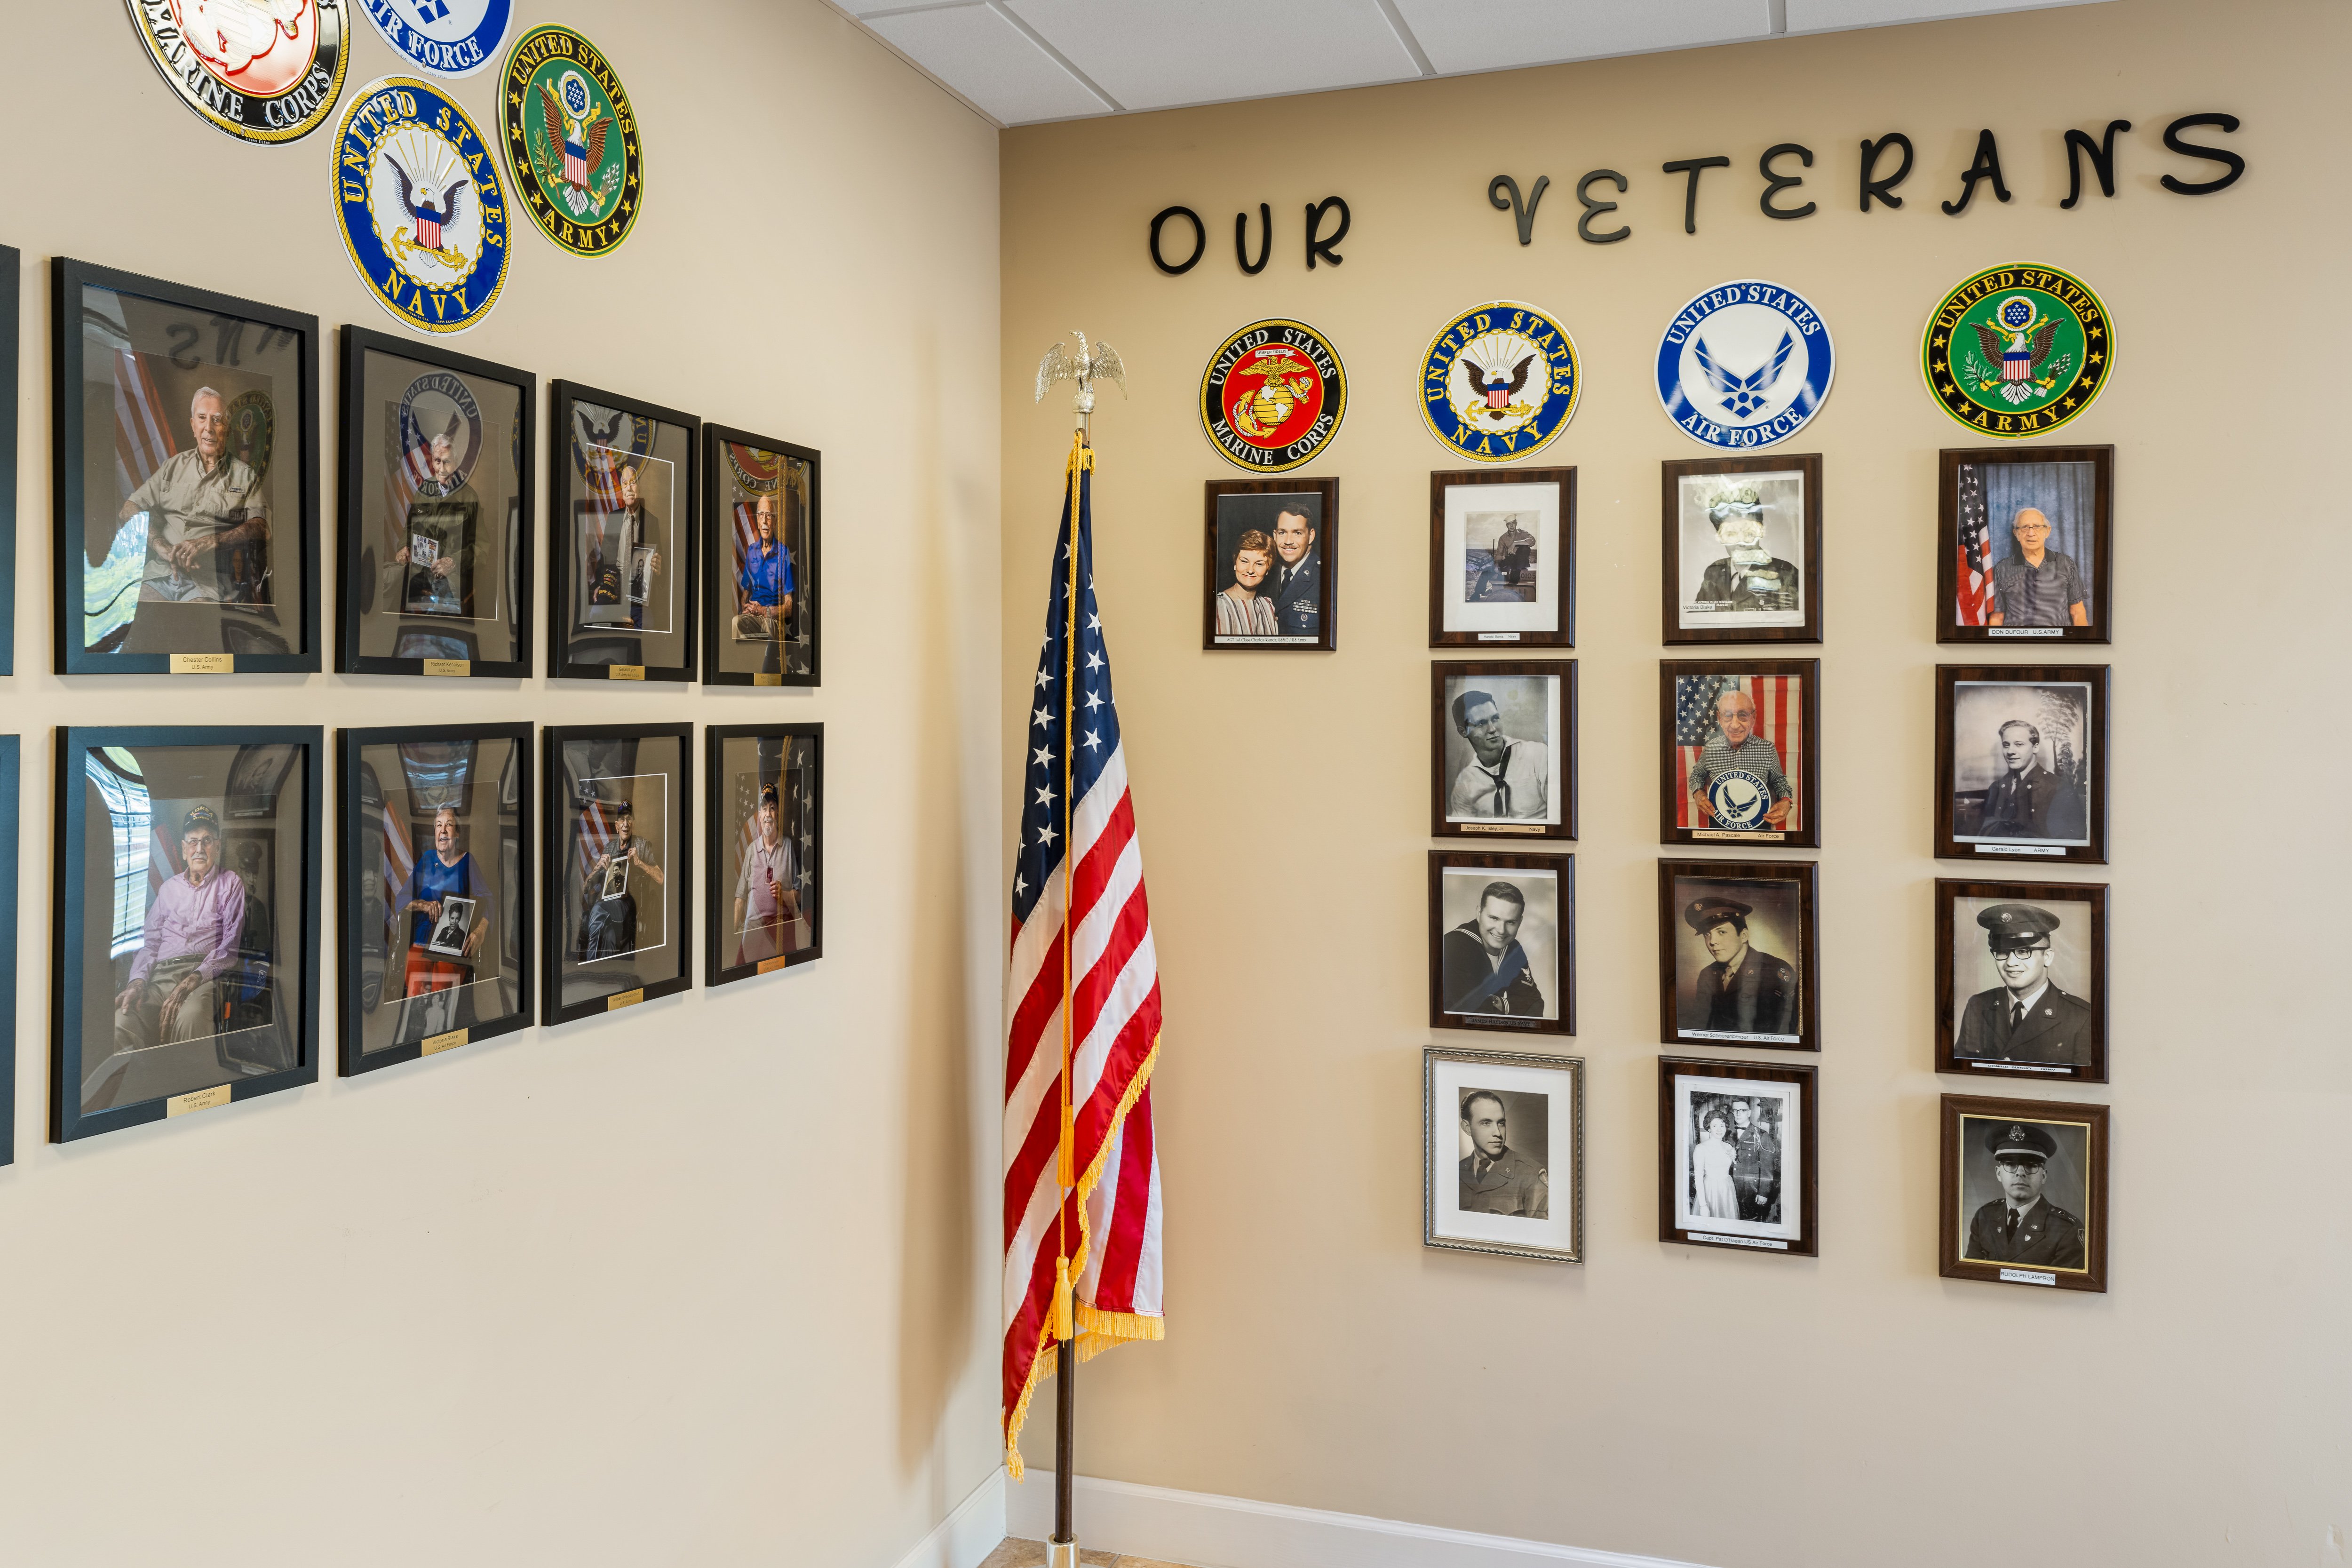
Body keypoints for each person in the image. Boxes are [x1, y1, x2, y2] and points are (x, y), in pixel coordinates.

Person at [117, 386, 272, 608]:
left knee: (195, 623)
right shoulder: (173, 466)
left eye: (217, 420)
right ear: (193, 425)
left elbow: (262, 527)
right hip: (160, 573)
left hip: (209, 581)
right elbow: (129, 508)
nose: (209, 428)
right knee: (133, 616)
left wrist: (209, 542)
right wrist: (160, 545)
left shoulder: (245, 475)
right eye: (202, 418)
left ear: (227, 428)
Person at [112, 805, 245, 1056]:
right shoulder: (168, 888)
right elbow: (150, 943)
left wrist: (190, 982)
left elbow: (230, 947)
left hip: (203, 977)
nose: (199, 849)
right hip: (160, 977)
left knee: (192, 1017)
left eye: (207, 841)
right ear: (184, 849)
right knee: (122, 1021)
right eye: (193, 842)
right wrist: (138, 982)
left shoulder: (231, 883)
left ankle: (186, 1080)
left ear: (217, 846)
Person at [1955, 902, 2094, 1064]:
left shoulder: (2082, 1017)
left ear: (2047, 957)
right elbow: (1963, 1069)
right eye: (2002, 952)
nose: (2011, 962)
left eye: (2023, 951)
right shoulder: (1978, 1005)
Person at [1963, 1122, 2086, 1268]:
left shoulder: (2067, 1230)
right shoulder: (1984, 1217)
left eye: (2031, 1165)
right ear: (1999, 1173)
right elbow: (1971, 1273)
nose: (2020, 1173)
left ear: (2044, 1176)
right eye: (2010, 1164)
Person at [388, 419, 477, 617]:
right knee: (386, 582)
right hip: (419, 571)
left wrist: (452, 562)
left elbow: (480, 548)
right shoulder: (424, 491)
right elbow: (409, 529)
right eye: (438, 461)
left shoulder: (469, 497)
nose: (442, 469)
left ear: (455, 463)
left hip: (450, 577)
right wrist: (404, 548)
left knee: (441, 612)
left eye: (447, 462)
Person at [1678, 896, 1799, 1036]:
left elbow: (1785, 1029)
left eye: (1722, 932)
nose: (1712, 941)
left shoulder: (1773, 970)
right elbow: (1700, 1025)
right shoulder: (1707, 974)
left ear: (1744, 936)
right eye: (1707, 934)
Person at [399, 804, 488, 996]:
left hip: (453, 947)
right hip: (422, 942)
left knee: (442, 995)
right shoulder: (427, 859)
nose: (443, 830)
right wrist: (423, 905)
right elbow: (402, 900)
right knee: (416, 990)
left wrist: (480, 931)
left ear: (457, 833)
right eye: (439, 825)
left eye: (449, 825)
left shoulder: (467, 862)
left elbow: (489, 902)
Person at [1688, 686, 1794, 831]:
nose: (1735, 725)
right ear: (1719, 718)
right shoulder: (1711, 748)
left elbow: (1780, 782)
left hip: (1759, 825)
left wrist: (1786, 801)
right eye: (1728, 716)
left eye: (1743, 715)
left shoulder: (1768, 749)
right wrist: (1699, 794)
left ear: (1753, 718)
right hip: (1719, 826)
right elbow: (1696, 776)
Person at [1440, 881, 1546, 1017]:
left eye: (1510, 922)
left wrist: (1500, 1004)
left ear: (1520, 922)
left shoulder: (1513, 948)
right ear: (1479, 913)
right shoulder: (1454, 945)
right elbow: (1469, 1012)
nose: (1501, 930)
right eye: (1494, 918)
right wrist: (1510, 1006)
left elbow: (1535, 1004)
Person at [1446, 687, 1549, 821]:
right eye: (1481, 723)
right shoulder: (1465, 783)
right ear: (1463, 732)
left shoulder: (1538, 754)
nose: (1493, 729)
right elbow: (1462, 828)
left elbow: (1560, 816)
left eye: (1495, 719)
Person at [1692, 485, 1798, 613]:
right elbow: (1695, 619)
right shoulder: (1714, 573)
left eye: (1749, 533)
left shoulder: (1786, 575)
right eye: (1731, 534)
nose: (1741, 543)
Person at [581, 799, 663, 961]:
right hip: (609, 904)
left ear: (633, 823)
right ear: (617, 825)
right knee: (609, 935)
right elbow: (585, 888)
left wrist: (639, 863)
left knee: (598, 909)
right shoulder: (609, 848)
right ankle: (606, 968)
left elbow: (660, 878)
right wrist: (598, 867)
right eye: (622, 820)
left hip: (629, 904)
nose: (626, 824)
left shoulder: (642, 845)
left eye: (629, 819)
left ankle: (590, 962)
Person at [732, 784, 801, 965]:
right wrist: (730, 935)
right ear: (759, 815)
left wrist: (783, 895)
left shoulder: (788, 847)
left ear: (777, 813)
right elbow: (740, 899)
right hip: (754, 930)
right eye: (764, 809)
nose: (768, 814)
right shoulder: (751, 850)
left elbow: (799, 894)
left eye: (772, 808)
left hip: (781, 928)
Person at [1987, 507, 2088, 629]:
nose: (2031, 533)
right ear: (2016, 533)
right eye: (2024, 527)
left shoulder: (2066, 563)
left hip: (2057, 639)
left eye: (2037, 527)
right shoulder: (2002, 569)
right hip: (2017, 639)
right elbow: (1997, 617)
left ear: (2048, 531)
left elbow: (2077, 612)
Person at [1457, 1090, 1548, 1218]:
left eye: (1501, 1123)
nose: (1498, 1133)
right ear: (1467, 1128)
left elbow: (1542, 1228)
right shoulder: (1457, 1171)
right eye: (1486, 1123)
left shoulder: (1530, 1175)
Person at [1976, 719, 2059, 839]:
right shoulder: (1996, 788)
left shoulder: (2056, 787)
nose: (2010, 751)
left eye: (2019, 744)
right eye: (2006, 745)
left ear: (2035, 748)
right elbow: (1985, 834)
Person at [733, 493, 795, 644]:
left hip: (773, 620)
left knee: (740, 625)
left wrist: (763, 611)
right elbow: (745, 594)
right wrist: (747, 607)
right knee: (736, 624)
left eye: (769, 515)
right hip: (754, 616)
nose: (765, 521)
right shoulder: (752, 551)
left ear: (775, 521)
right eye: (761, 515)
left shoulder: (783, 552)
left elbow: (789, 607)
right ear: (757, 520)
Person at [615, 462, 663, 630]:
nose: (629, 488)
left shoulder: (652, 522)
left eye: (633, 482)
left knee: (648, 628)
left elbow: (661, 570)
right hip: (614, 597)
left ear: (640, 488)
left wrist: (659, 570)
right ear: (622, 491)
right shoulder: (613, 519)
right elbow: (603, 561)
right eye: (625, 483)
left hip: (639, 602)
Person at [1263, 506, 1320, 637]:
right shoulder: (1266, 572)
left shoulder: (1325, 579)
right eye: (1282, 533)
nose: (1288, 542)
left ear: (1311, 536)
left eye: (1298, 533)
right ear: (1275, 535)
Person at [1213, 529, 1282, 637]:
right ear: (1235, 563)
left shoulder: (1268, 606)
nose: (1250, 570)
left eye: (1259, 564)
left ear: (1268, 570)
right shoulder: (1218, 606)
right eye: (1244, 561)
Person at [1728, 1097, 1780, 1222]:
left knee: (1751, 1221)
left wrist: (1763, 1193)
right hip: (1731, 1187)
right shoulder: (1728, 1134)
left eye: (1742, 1110)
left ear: (1749, 1113)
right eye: (1735, 1110)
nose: (1738, 1114)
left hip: (1751, 1189)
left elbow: (1768, 1169)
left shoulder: (1761, 1135)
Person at [1470, 514, 1537, 602]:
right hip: (1510, 560)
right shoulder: (1503, 538)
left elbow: (1532, 541)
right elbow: (1499, 554)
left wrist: (1515, 543)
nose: (1512, 526)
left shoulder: (1523, 533)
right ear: (1506, 525)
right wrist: (1497, 565)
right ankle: (1477, 593)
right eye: (1509, 524)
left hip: (1521, 561)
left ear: (1516, 523)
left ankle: (1516, 572)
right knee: (1488, 570)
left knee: (1525, 547)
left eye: (1513, 523)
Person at [1690, 1105, 1738, 1220]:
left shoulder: (1729, 1147)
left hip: (1727, 1188)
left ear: (1726, 1127)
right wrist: (1703, 1206)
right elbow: (1698, 1178)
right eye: (1715, 1126)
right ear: (1709, 1128)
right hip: (1710, 1190)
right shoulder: (1701, 1148)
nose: (1719, 1130)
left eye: (1722, 1126)